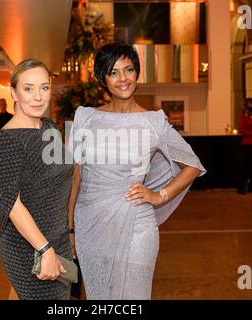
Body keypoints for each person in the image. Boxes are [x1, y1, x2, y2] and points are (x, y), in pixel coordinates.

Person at [68, 43, 206, 299]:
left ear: (137, 73)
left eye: (129, 69)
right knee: (101, 297)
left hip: (137, 225)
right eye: (113, 72)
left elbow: (193, 165)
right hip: (90, 225)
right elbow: (75, 177)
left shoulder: (153, 121)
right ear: (102, 78)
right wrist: (70, 230)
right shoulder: (84, 118)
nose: (123, 79)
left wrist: (159, 195)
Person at [0, 59, 74, 299]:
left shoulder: (48, 128)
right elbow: (11, 204)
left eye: (44, 88)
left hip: (58, 238)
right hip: (30, 246)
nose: (38, 97)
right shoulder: (5, 141)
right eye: (28, 88)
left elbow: (63, 178)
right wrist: (45, 250)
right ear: (13, 92)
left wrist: (69, 231)